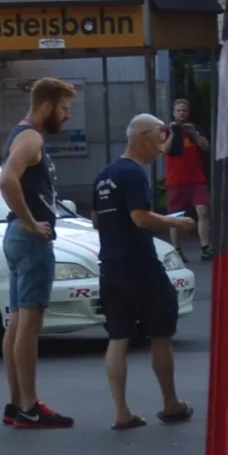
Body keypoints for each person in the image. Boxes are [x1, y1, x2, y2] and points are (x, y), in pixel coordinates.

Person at [91, 115, 197, 430]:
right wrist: (175, 223)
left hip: (111, 265)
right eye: (161, 138)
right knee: (161, 334)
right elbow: (140, 218)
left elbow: (97, 220)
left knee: (118, 337)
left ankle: (121, 411)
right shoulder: (134, 173)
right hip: (141, 265)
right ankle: (170, 404)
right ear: (144, 138)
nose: (164, 147)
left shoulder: (104, 174)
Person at [0, 76, 78, 429]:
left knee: (17, 322)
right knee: (28, 323)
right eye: (64, 108)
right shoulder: (30, 137)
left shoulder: (22, 134)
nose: (67, 115)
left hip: (18, 236)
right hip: (28, 238)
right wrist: (31, 223)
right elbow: (6, 179)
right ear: (46, 106)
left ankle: (16, 404)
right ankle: (29, 405)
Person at [162, 98, 212, 258]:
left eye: (184, 110)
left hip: (196, 178)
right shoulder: (167, 130)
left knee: (202, 212)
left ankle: (205, 246)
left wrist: (195, 134)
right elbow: (164, 152)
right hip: (176, 180)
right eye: (179, 111)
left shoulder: (195, 129)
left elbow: (206, 147)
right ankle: (176, 249)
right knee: (176, 217)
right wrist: (173, 134)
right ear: (174, 113)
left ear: (188, 113)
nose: (181, 113)